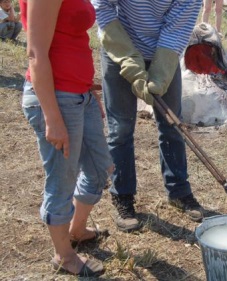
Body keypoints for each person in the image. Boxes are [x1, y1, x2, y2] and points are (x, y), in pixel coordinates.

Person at [91, 0, 205, 232]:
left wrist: (161, 71)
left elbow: (179, 24)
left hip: (164, 52)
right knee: (120, 128)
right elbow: (102, 6)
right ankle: (122, 195)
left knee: (172, 123)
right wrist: (128, 59)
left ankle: (179, 190)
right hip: (119, 46)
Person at [19, 0, 114, 276]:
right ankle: (63, 254)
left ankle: (76, 229)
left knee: (99, 167)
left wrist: (87, 91)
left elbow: (72, 38)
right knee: (62, 179)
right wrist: (52, 117)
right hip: (57, 98)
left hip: (78, 95)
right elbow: (35, 53)